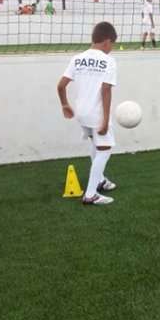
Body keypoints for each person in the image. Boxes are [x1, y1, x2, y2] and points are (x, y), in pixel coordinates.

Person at [56, 22, 119, 206]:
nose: (112, 48)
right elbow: (106, 90)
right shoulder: (109, 61)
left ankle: (99, 181)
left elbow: (60, 85)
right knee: (105, 149)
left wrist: (64, 105)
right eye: (112, 44)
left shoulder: (77, 58)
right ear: (107, 41)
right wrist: (106, 120)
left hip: (81, 113)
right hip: (97, 113)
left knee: (96, 144)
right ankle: (90, 194)